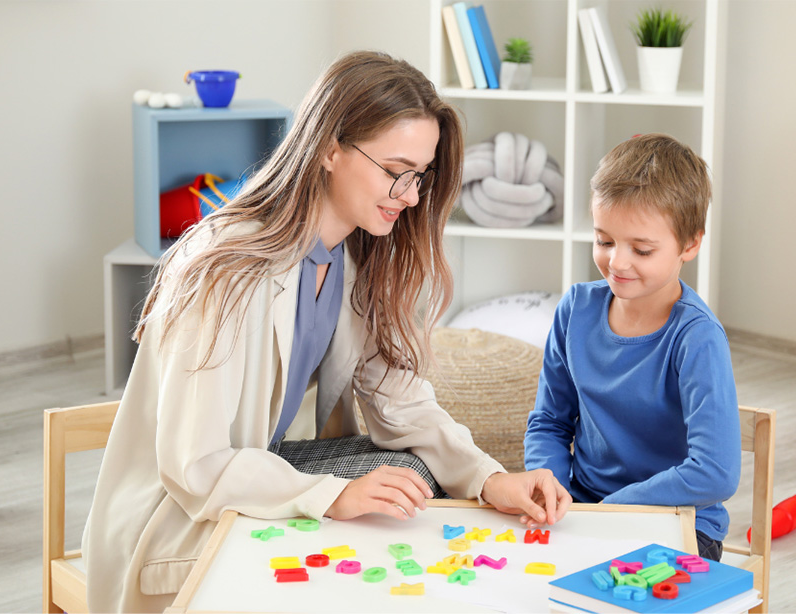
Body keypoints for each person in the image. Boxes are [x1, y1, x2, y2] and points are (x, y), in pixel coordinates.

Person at [83, 50, 570, 612]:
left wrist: (490, 479)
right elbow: (194, 465)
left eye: (420, 176)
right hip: (180, 506)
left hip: (258, 468)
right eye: (395, 172)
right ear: (328, 148)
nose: (411, 197)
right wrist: (334, 493)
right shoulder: (221, 265)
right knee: (386, 493)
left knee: (412, 473)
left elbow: (405, 407)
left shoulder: (356, 260)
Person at [523, 133, 740, 561]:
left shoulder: (697, 338)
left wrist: (612, 511)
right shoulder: (575, 311)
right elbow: (549, 422)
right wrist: (551, 486)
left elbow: (715, 473)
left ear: (690, 245)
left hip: (679, 521)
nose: (617, 263)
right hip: (585, 509)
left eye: (641, 249)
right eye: (604, 241)